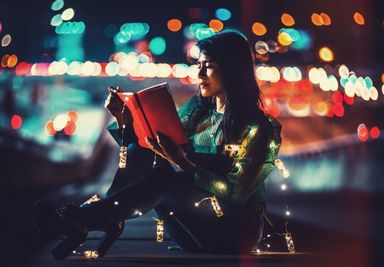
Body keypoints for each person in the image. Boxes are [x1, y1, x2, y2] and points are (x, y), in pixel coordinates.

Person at [32, 30, 282, 259]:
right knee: (145, 149)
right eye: (199, 66)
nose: (200, 74)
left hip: (234, 233)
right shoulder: (197, 111)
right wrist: (123, 120)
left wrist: (183, 162)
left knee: (166, 178)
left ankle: (87, 218)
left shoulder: (259, 127)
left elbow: (238, 192)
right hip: (190, 231)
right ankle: (106, 215)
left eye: (210, 67)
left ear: (232, 71)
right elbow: (150, 147)